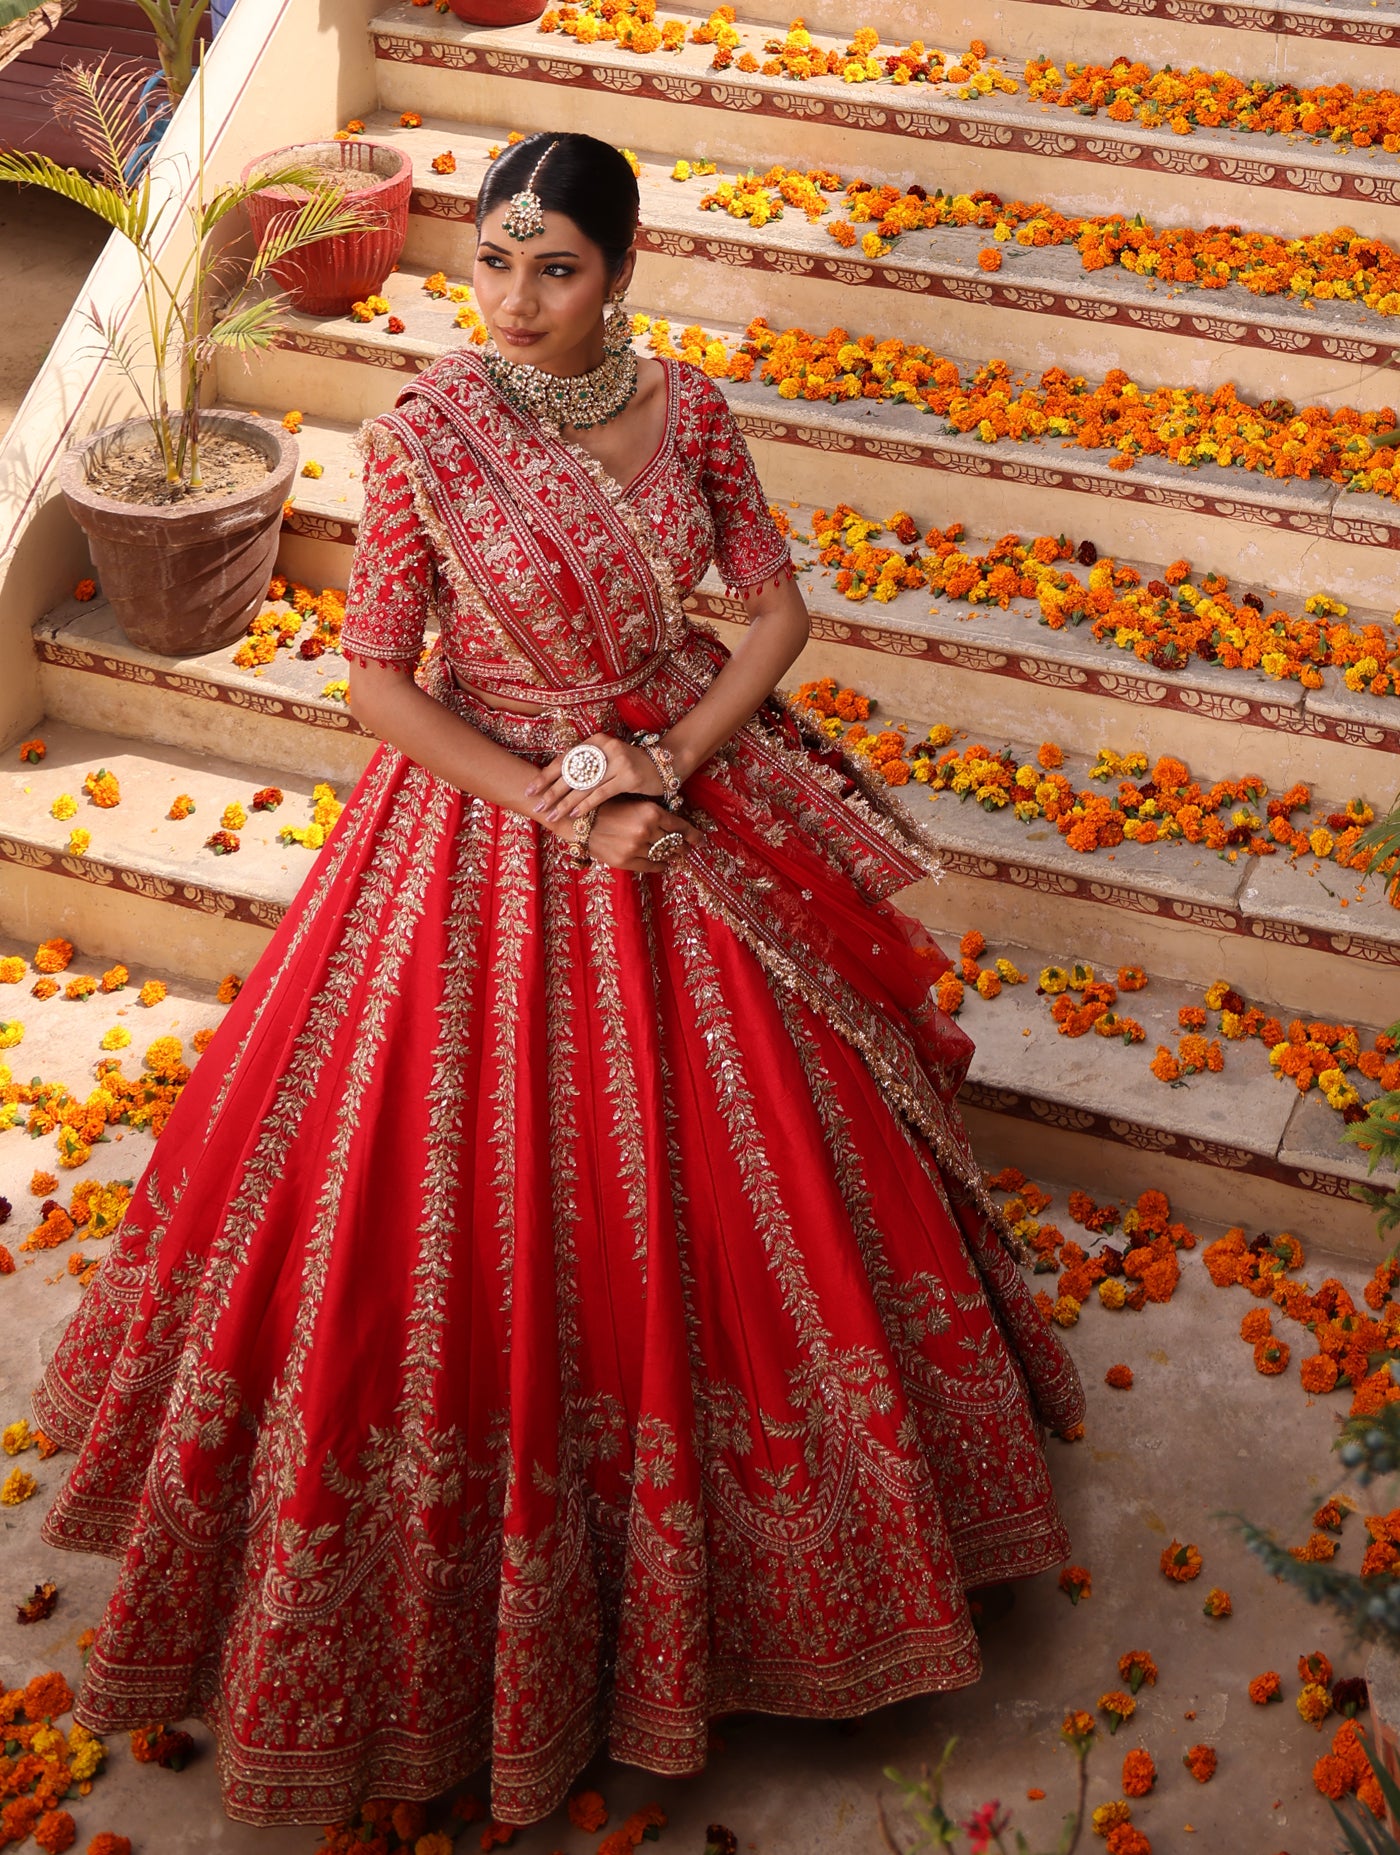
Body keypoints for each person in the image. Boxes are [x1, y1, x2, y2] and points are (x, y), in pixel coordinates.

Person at [32, 131, 1084, 1831]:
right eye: (494, 260)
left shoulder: (697, 417)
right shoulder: (426, 435)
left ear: (623, 271)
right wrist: (562, 799)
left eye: (557, 268)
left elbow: (774, 617)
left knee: (762, 1175)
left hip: (678, 793)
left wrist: (660, 763)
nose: (513, 302)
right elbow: (377, 681)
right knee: (439, 1197)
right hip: (479, 824)